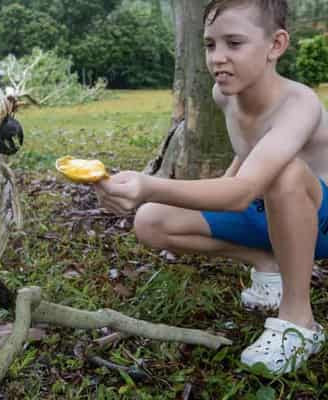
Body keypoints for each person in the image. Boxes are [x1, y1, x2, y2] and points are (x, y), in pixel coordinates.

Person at [94, 0, 328, 374]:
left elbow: (241, 191)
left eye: (234, 44)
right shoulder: (225, 97)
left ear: (276, 45)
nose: (218, 57)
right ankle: (268, 265)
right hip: (265, 209)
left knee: (286, 174)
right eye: (210, 44)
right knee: (150, 220)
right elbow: (241, 172)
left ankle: (299, 320)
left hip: (320, 221)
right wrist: (146, 196)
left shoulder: (298, 104)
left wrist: (148, 185)